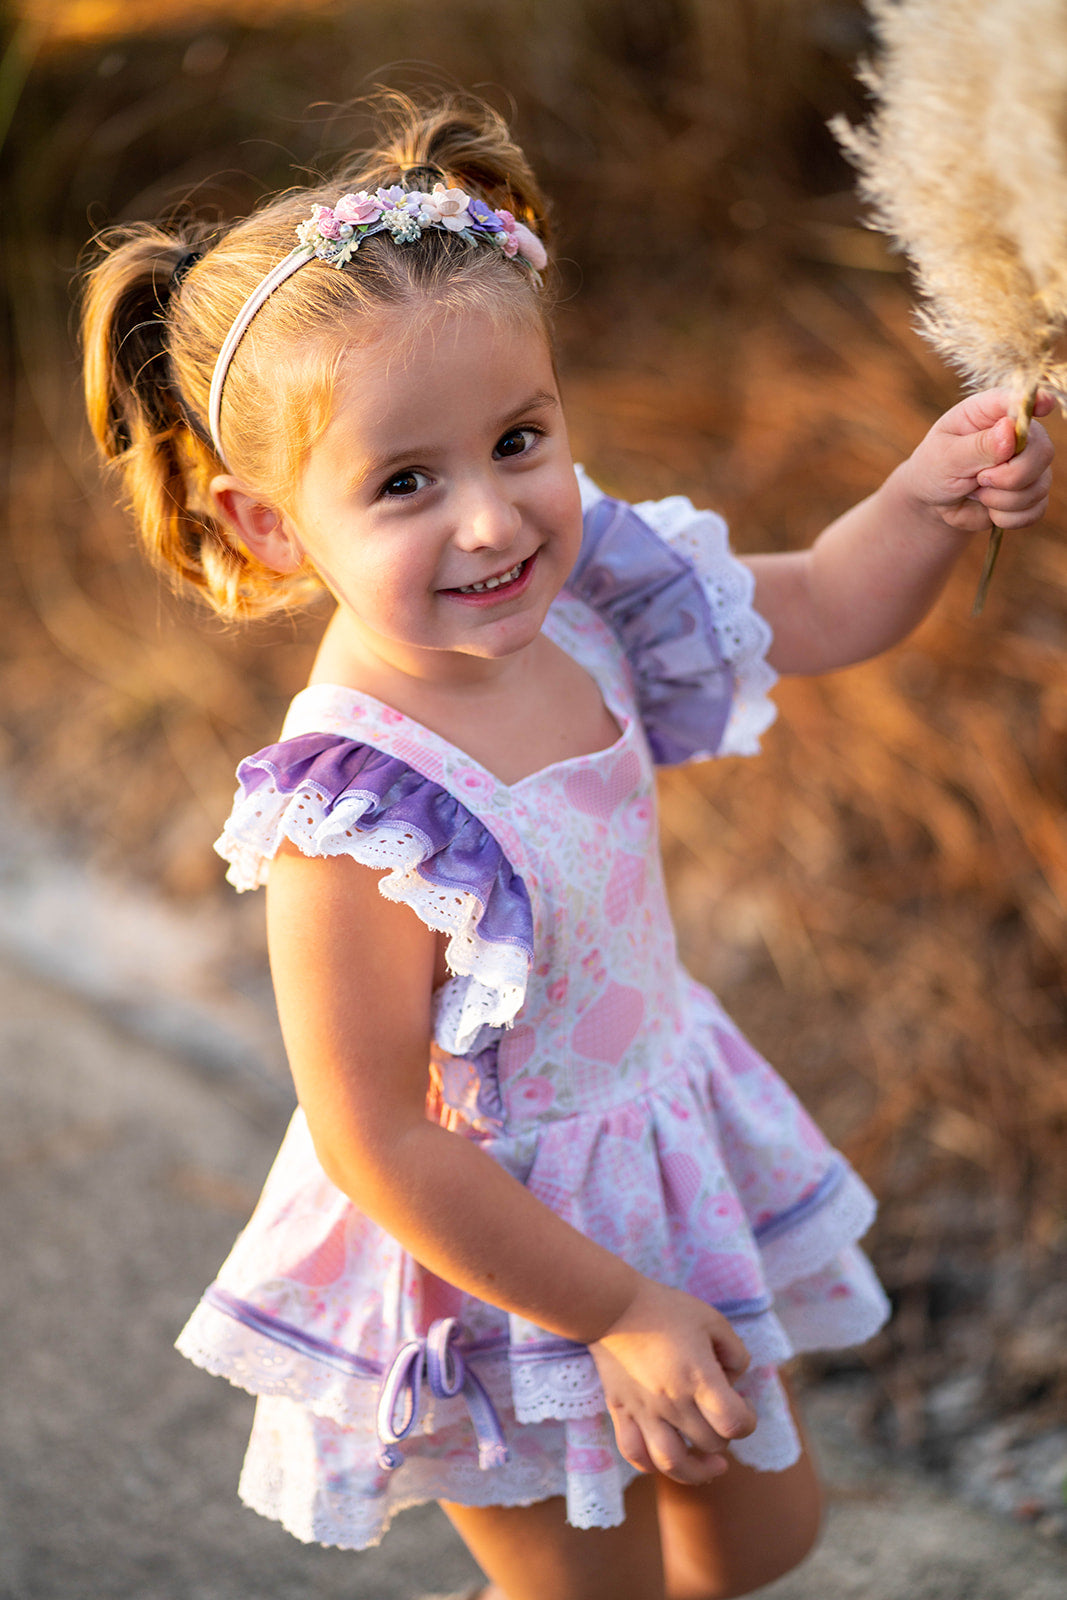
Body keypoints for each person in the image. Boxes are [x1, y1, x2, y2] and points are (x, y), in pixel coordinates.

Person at [80, 93, 1053, 1600]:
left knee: (759, 1535)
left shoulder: (593, 587)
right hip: (497, 1250)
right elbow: (373, 1135)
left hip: (667, 1148)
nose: (489, 520)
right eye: (405, 482)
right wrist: (612, 1312)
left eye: (518, 439)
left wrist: (926, 500)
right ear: (268, 527)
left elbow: (826, 606)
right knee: (582, 1589)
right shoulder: (356, 807)